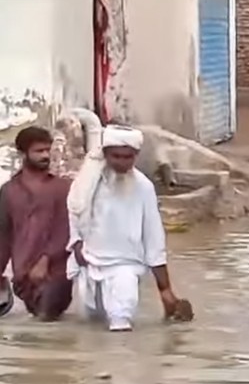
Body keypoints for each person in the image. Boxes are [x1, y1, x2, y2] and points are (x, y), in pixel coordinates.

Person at [67, 125, 185, 331]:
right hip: (89, 263)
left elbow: (153, 238)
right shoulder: (87, 182)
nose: (122, 162)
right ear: (105, 154)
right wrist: (76, 243)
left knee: (121, 323)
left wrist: (165, 289)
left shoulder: (144, 187)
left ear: (136, 156)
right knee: (91, 327)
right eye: (116, 156)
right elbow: (75, 212)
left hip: (126, 267)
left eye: (127, 157)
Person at [0, 127, 72, 321]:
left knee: (47, 317)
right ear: (23, 153)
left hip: (56, 273)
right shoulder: (8, 191)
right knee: (39, 326)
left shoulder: (62, 189)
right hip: (23, 277)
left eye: (48, 150)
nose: (45, 155)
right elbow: (4, 237)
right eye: (39, 151)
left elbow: (64, 228)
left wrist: (45, 260)